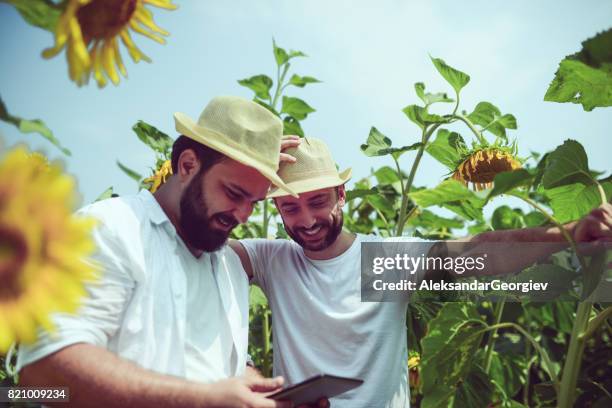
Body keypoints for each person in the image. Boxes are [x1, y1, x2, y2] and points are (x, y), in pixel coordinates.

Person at [229, 137, 612, 407]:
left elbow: (482, 252)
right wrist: (236, 170)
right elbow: (195, 247)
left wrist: (569, 233)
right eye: (290, 209)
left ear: (342, 193)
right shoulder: (273, 260)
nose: (307, 220)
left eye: (318, 202)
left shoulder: (380, 262)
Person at [17, 96, 301, 408]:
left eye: (255, 202)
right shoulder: (107, 228)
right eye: (234, 193)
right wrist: (199, 399)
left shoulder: (229, 266)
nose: (244, 215)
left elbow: (215, 371)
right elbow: (41, 375)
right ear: (188, 165)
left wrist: (264, 398)